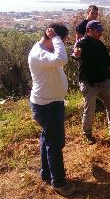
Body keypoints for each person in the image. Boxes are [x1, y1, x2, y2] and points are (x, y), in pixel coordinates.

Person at [28, 23, 75, 195]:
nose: (61, 44)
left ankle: (46, 173)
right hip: (46, 106)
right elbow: (61, 59)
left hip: (52, 102)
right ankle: (59, 183)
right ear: (52, 38)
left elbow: (58, 61)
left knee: (48, 139)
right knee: (55, 144)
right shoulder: (38, 53)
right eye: (61, 40)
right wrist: (56, 37)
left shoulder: (45, 51)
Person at [73, 20, 110, 144]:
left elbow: (108, 62)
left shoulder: (100, 45)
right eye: (98, 30)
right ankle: (87, 134)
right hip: (89, 83)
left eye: (101, 30)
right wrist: (76, 54)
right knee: (89, 110)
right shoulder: (81, 43)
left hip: (104, 81)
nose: (101, 33)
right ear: (89, 30)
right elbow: (75, 54)